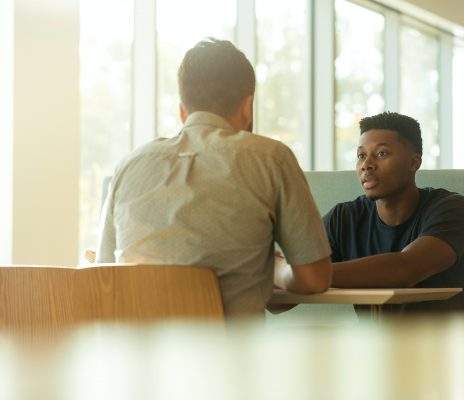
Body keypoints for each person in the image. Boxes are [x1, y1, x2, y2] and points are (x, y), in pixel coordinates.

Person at [96, 38, 332, 317]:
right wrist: (277, 269)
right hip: (229, 356)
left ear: (183, 111)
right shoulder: (271, 157)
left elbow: (103, 275)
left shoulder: (129, 165)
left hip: (134, 356)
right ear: (247, 107)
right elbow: (315, 279)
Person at [323, 112, 464, 313]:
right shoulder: (343, 218)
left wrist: (306, 275)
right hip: (372, 343)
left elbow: (405, 269)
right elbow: (279, 302)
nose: (366, 165)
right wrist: (282, 274)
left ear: (414, 163)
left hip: (443, 343)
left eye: (381, 154)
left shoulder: (454, 209)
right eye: (361, 155)